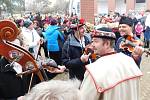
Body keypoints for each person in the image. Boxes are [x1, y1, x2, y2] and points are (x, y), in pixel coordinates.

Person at [80, 27, 143, 100]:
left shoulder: (94, 70)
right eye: (92, 41)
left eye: (95, 41)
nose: (92, 45)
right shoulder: (130, 61)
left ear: (107, 44)